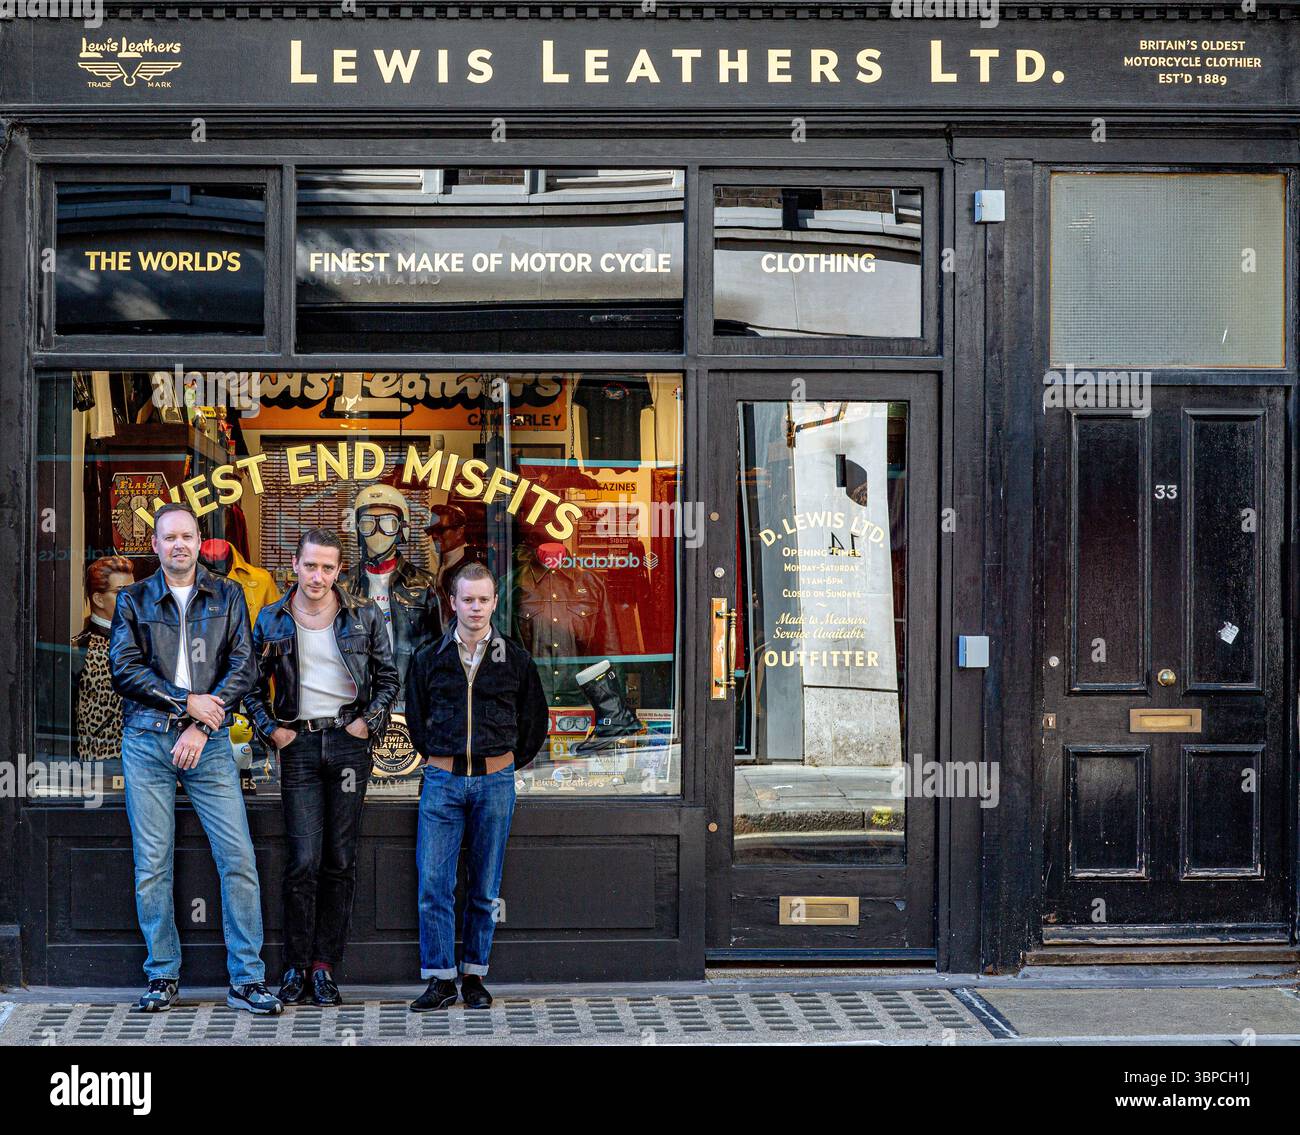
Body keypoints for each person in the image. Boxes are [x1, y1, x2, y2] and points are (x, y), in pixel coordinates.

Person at [108, 502, 281, 1015]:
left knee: (239, 861)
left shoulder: (227, 594)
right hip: (146, 743)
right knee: (152, 866)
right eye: (169, 537)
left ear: (199, 541)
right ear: (155, 545)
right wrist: (185, 704)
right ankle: (161, 975)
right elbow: (124, 668)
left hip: (207, 745)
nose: (179, 545)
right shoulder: (134, 600)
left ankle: (247, 980)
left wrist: (203, 724)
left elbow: (244, 666)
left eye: (187, 536)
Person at [245, 528, 399, 1007]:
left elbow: (390, 677)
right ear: (294, 564)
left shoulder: (364, 615)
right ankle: (293, 966)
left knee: (340, 859)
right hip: (300, 745)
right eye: (310, 565)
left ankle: (324, 966)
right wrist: (274, 731)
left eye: (328, 567)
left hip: (349, 744)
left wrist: (367, 723)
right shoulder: (271, 619)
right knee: (303, 862)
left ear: (338, 570)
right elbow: (248, 686)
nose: (318, 576)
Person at [405, 561, 549, 1011]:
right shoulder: (428, 657)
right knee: (434, 884)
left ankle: (474, 976)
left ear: (494, 602)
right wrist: (438, 758)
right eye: (467, 599)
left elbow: (535, 722)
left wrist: (505, 762)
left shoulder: (516, 660)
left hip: (494, 783)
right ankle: (440, 978)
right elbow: (414, 717)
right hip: (442, 781)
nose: (476, 607)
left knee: (485, 888)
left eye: (484, 599)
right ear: (453, 602)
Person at [72, 555, 135, 761]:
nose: (131, 599)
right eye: (121, 593)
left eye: (133, 591)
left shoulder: (147, 643)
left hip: (146, 763)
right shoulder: (78, 649)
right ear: (99, 599)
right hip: (97, 768)